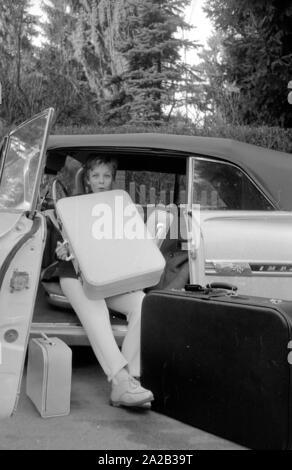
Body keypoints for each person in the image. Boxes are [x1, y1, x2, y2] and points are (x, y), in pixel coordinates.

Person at [55, 154, 154, 408]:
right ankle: (120, 380)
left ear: (112, 179)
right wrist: (64, 250)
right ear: (87, 179)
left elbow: (129, 246)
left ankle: (132, 379)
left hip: (109, 277)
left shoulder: (120, 207)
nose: (101, 181)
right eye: (96, 176)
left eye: (106, 176)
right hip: (75, 276)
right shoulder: (72, 205)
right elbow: (64, 245)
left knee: (142, 303)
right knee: (95, 307)